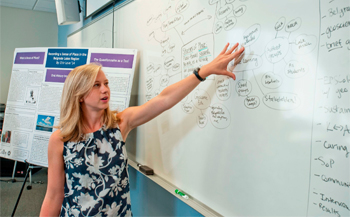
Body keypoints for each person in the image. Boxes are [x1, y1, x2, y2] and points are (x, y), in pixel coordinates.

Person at [39, 43, 245, 217]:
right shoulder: (61, 140)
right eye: (96, 85)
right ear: (80, 95)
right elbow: (54, 195)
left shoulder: (120, 123)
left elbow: (164, 100)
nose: (105, 89)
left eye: (106, 83)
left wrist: (204, 71)